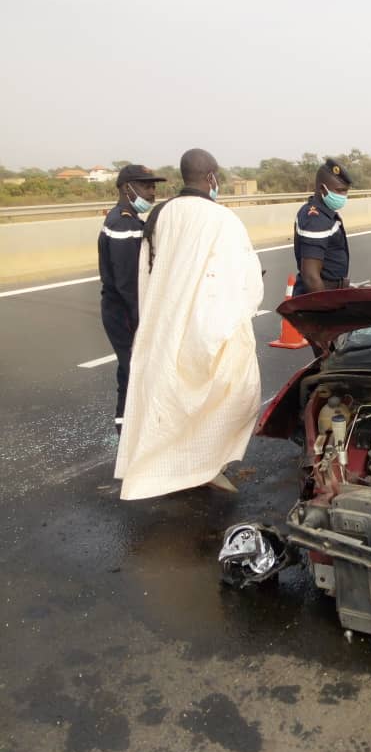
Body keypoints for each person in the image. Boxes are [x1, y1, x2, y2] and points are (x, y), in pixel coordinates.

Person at [115, 148, 264, 500]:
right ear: (211, 177)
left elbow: (146, 273)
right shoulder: (222, 219)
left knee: (170, 400)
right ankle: (206, 468)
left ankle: (169, 472)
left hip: (166, 327)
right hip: (212, 328)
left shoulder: (160, 214)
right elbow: (244, 281)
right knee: (234, 397)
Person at [98, 164, 166, 434]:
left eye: (153, 186)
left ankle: (126, 429)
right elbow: (129, 284)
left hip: (123, 310)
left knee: (129, 372)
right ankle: (134, 434)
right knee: (137, 372)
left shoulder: (128, 220)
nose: (152, 192)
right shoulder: (123, 224)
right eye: (146, 186)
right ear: (127, 188)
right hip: (125, 312)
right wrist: (144, 324)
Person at [293, 158, 353, 294]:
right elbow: (311, 278)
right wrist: (327, 309)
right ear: (322, 189)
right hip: (318, 300)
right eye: (339, 191)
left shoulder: (323, 214)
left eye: (345, 191)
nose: (343, 196)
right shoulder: (315, 219)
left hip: (333, 292)